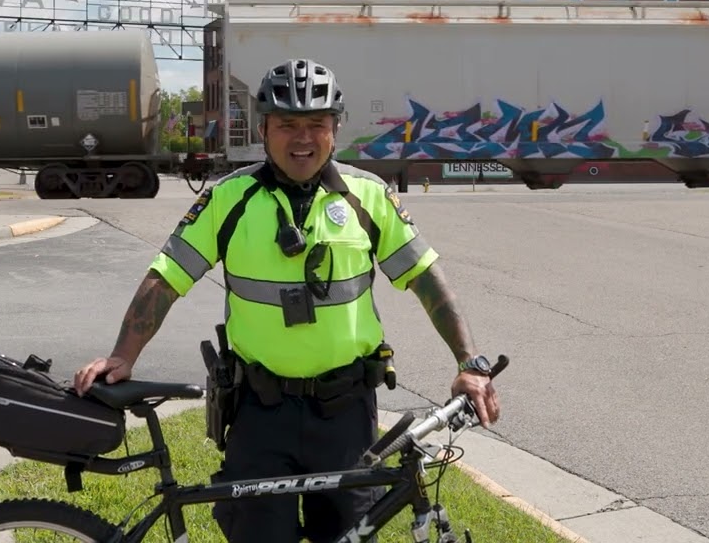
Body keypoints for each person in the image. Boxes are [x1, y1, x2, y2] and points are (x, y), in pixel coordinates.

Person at [74, 58, 501, 542]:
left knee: (347, 535)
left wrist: (469, 360)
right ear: (264, 129)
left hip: (345, 414)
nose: (303, 138)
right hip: (260, 412)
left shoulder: (369, 196)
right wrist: (123, 355)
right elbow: (167, 278)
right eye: (287, 125)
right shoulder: (228, 199)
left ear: (335, 130)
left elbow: (426, 278)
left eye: (316, 124)